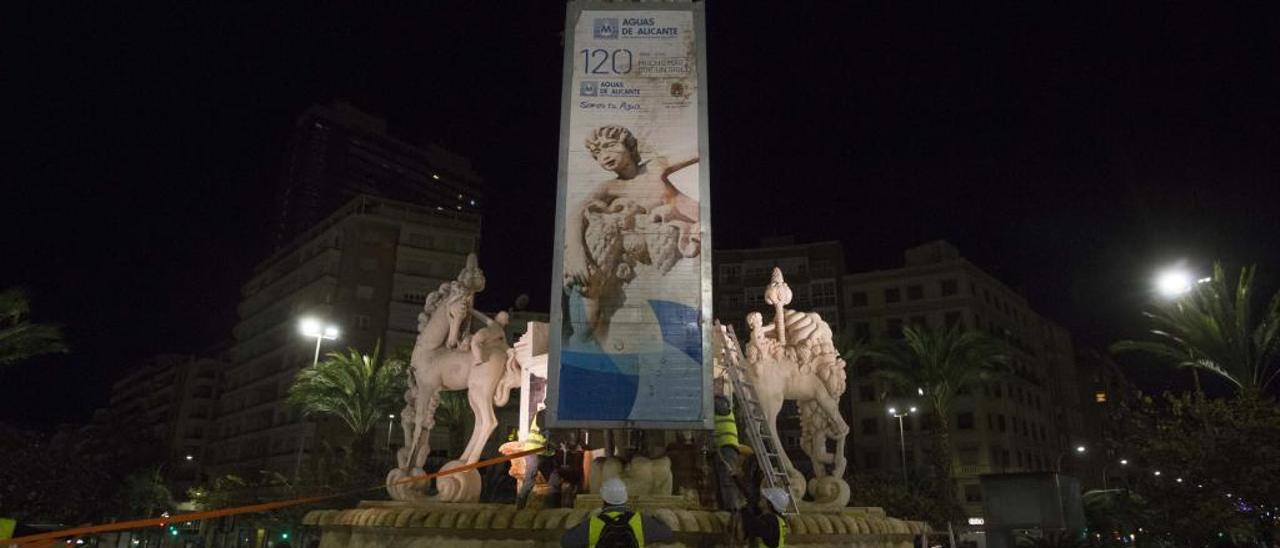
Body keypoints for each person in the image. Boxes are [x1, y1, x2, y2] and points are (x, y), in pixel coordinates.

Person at [561, 478, 673, 548]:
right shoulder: (641, 521)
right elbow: (668, 534)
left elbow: (565, 541)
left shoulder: (593, 524)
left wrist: (584, 521)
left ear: (604, 499)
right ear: (625, 498)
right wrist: (656, 518)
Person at [516, 407, 560, 509]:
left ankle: (554, 509)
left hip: (546, 454)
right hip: (534, 451)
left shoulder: (555, 417)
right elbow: (544, 431)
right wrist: (554, 441)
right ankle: (519, 507)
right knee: (530, 478)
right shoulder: (542, 414)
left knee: (555, 480)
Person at [712, 395, 744, 511]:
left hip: (726, 448)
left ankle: (730, 508)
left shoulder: (718, 407)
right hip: (726, 447)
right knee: (723, 478)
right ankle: (726, 507)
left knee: (727, 479)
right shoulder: (724, 409)